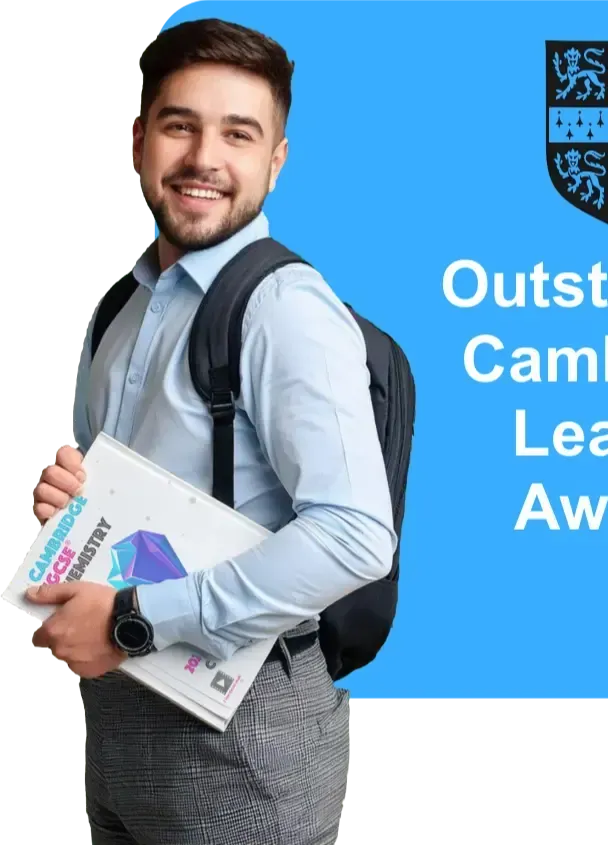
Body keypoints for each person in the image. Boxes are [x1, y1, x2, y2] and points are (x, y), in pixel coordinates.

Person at [28, 17, 394, 845]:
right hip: (117, 712)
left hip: (242, 725)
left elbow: (358, 535)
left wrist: (132, 620)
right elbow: (138, 504)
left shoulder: (284, 309)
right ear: (138, 140)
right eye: (179, 125)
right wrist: (70, 508)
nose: (204, 158)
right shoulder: (120, 306)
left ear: (276, 161)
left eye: (239, 133)